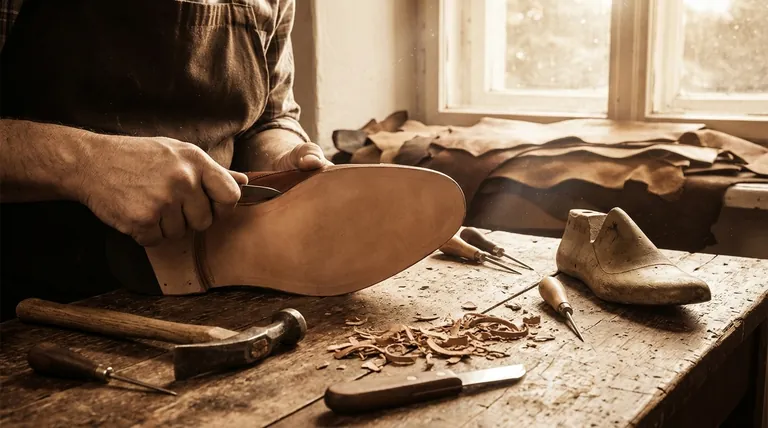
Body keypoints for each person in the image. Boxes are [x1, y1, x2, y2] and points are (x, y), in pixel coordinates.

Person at [0, 0, 331, 320]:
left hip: (220, 291)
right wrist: (85, 163)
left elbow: (269, 120)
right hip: (31, 310)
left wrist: (283, 157)